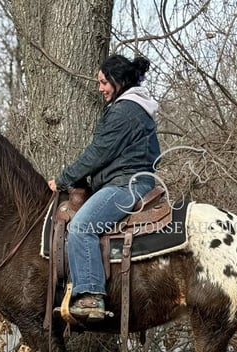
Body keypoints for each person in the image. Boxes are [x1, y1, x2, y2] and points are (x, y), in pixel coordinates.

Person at [48, 54, 160, 321]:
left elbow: (98, 153)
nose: (100, 88)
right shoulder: (131, 107)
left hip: (127, 184)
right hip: (127, 180)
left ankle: (90, 296)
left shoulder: (124, 111)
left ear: (118, 80)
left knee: (81, 227)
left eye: (103, 82)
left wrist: (63, 179)